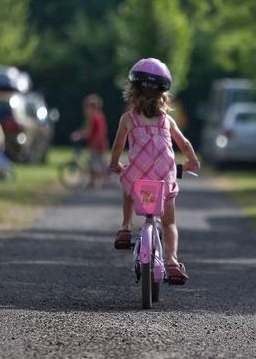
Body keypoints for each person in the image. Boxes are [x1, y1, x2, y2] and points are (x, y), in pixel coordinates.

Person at [108, 58, 200, 282]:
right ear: (163, 95)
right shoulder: (166, 121)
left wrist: (114, 165)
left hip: (138, 179)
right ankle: (172, 261)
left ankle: (126, 227)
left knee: (127, 180)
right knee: (168, 223)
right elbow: (184, 144)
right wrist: (192, 162)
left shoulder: (127, 119)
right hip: (163, 179)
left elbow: (118, 146)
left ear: (132, 91)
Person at [71, 94, 109, 187]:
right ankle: (95, 181)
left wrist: (81, 135)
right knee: (95, 163)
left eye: (87, 106)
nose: (85, 109)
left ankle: (100, 180)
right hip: (96, 144)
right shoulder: (96, 116)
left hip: (97, 145)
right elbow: (87, 130)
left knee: (95, 163)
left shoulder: (95, 117)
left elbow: (96, 132)